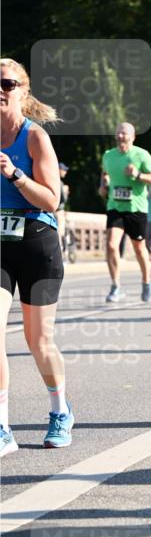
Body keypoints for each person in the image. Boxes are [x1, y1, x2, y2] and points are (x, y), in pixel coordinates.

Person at [0, 58, 73, 452]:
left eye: (7, 84)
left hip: (37, 241)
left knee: (38, 340)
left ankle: (60, 411)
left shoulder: (34, 137)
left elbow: (52, 199)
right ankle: (2, 428)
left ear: (22, 92)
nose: (0, 90)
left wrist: (15, 174)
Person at [100, 122, 151, 303]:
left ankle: (146, 282)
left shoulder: (142, 155)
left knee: (139, 249)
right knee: (111, 245)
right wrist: (103, 186)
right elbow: (104, 175)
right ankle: (116, 286)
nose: (120, 136)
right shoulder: (108, 155)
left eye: (124, 134)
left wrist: (138, 175)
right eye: (118, 133)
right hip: (115, 207)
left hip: (136, 208)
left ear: (132, 137)